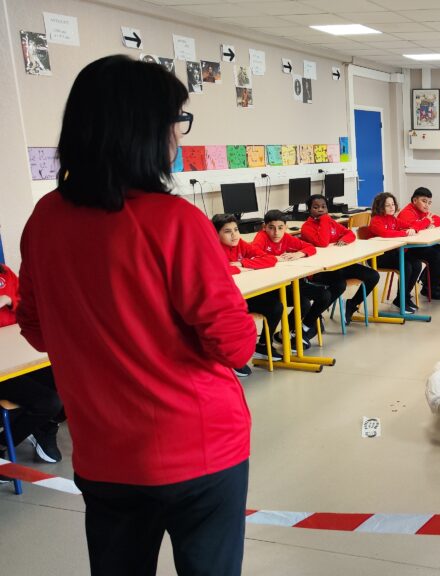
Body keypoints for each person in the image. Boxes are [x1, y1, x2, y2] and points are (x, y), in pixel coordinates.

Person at [17, 55, 252, 575]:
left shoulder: (45, 218)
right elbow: (234, 344)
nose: (178, 135)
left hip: (104, 451)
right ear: (146, 131)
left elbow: (34, 328)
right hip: (198, 446)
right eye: (176, 121)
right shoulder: (175, 221)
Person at [0, 263, 63, 464]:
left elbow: (28, 303)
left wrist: (10, 300)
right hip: (3, 369)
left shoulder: (5, 273)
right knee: (49, 401)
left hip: (18, 356)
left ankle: (44, 427)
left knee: (72, 382)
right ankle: (3, 444)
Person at [214, 214, 283, 375]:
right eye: (227, 231)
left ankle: (263, 346)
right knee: (235, 318)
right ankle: (230, 358)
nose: (234, 235)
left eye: (236, 230)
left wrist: (242, 263)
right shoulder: (212, 248)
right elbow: (218, 270)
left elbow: (270, 259)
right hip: (221, 301)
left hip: (242, 294)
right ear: (215, 234)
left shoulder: (240, 244)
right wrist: (239, 269)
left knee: (275, 306)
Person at [300, 195, 380, 326]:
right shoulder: (307, 227)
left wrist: (344, 239)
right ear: (309, 210)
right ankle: (315, 315)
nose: (320, 210)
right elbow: (323, 242)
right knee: (340, 284)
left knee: (373, 275)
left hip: (339, 265)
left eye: (323, 207)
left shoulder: (331, 222)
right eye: (316, 207)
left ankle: (352, 304)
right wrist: (324, 219)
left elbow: (350, 234)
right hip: (321, 269)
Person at [252, 210, 333, 333]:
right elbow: (254, 254)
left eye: (280, 228)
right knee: (303, 303)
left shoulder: (286, 238)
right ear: (264, 227)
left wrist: (299, 253)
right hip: (271, 286)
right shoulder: (261, 237)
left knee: (324, 295)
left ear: (286, 227)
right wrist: (275, 258)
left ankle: (299, 329)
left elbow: (310, 248)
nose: (276, 232)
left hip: (289, 282)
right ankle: (270, 338)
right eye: (271, 228)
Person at [366, 192, 423, 314]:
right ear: (380, 207)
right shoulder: (376, 220)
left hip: (392, 254)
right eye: (387, 205)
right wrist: (405, 233)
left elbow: (411, 225)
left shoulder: (392, 219)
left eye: (393, 204)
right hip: (378, 257)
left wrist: (414, 228)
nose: (392, 207)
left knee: (417, 264)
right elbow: (385, 234)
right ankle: (400, 301)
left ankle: (404, 297)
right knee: (406, 267)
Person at [397, 187, 440, 299]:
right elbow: (414, 226)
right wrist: (426, 222)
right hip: (409, 247)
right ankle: (429, 288)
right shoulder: (406, 212)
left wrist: (430, 223)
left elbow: (438, 219)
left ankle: (434, 284)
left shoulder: (423, 211)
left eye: (429, 203)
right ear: (414, 200)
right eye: (424, 201)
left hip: (420, 244)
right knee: (436, 256)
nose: (427, 205)